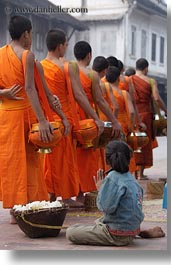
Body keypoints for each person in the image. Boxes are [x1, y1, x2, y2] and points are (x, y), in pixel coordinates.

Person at [0, 16, 66, 220]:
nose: (31, 38)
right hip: (23, 115)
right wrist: (43, 120)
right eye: (31, 34)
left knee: (11, 163)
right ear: (25, 34)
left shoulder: (0, 53)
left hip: (5, 117)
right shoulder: (27, 55)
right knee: (28, 163)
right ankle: (24, 207)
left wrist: (3, 94)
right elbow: (29, 89)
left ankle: (15, 209)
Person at [41, 30, 104, 206]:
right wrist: (95, 118)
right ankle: (65, 196)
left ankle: (50, 195)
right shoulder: (68, 66)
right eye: (66, 45)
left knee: (49, 158)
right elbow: (79, 95)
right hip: (64, 118)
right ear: (61, 45)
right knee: (64, 160)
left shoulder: (39, 65)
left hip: (46, 118)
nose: (66, 48)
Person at [66, 140, 165, 246]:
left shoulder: (112, 178)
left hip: (116, 235)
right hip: (132, 229)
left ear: (107, 160)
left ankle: (128, 234)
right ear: (129, 159)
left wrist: (101, 189)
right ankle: (137, 232)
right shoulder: (131, 179)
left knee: (71, 232)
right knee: (100, 221)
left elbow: (105, 207)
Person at [73, 41, 122, 201]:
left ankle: (69, 191)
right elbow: (99, 100)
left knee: (72, 154)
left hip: (71, 116)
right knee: (86, 154)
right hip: (87, 119)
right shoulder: (91, 75)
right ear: (89, 56)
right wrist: (114, 120)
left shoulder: (67, 69)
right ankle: (81, 193)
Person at [130, 58, 167, 179]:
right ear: (146, 68)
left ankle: (133, 172)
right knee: (144, 143)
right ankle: (140, 174)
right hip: (145, 115)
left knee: (132, 142)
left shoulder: (129, 80)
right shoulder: (151, 81)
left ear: (136, 68)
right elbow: (156, 98)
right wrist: (166, 111)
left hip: (133, 115)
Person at [105, 66, 136, 173]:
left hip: (107, 126)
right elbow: (132, 112)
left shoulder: (103, 91)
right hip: (121, 126)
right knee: (122, 152)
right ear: (119, 78)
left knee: (107, 151)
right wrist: (131, 127)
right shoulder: (124, 93)